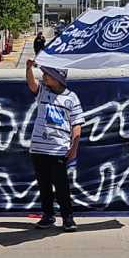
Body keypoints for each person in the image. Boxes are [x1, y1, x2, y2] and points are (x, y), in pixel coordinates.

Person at [24, 59, 83, 232]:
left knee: (61, 185)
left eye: (47, 74)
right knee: (44, 185)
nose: (44, 76)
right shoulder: (43, 91)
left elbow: (77, 124)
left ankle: (68, 217)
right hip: (38, 148)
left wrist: (74, 146)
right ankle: (48, 215)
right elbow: (32, 84)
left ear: (58, 78)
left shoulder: (71, 98)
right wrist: (28, 69)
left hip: (58, 149)